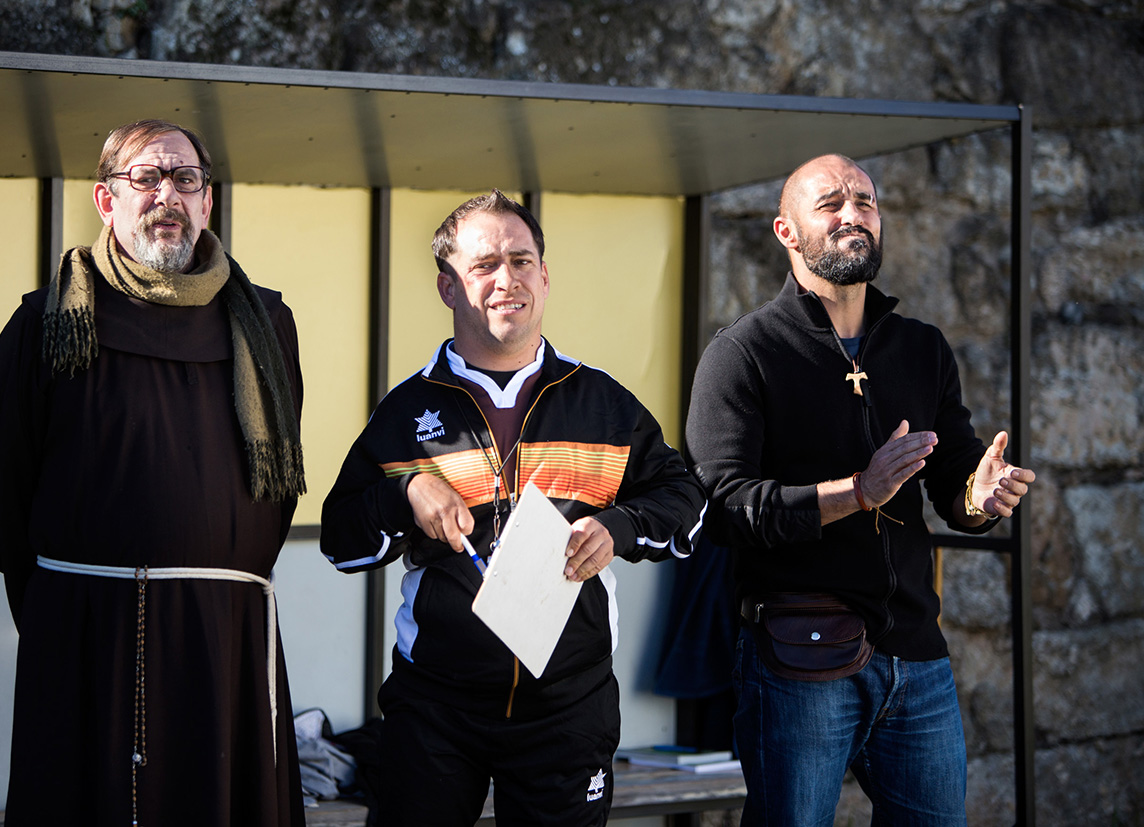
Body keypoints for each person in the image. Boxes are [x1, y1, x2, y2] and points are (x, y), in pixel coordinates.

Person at [321, 190, 706, 827]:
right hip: (435, 707)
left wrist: (620, 527)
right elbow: (340, 538)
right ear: (448, 288)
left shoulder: (603, 402)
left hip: (569, 703)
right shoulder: (404, 411)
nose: (508, 279)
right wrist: (405, 493)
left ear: (545, 277)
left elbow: (685, 498)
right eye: (484, 266)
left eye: (522, 261)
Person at [0, 119, 307, 827]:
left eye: (186, 179)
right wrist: (67, 600)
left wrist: (213, 577)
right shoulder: (48, 321)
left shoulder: (266, 325)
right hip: (87, 633)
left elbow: (274, 490)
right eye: (145, 178)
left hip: (226, 637)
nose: (167, 195)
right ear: (105, 197)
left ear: (207, 202)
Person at [684, 154, 1036, 826]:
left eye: (866, 202)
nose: (854, 215)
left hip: (918, 656)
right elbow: (722, 506)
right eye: (832, 204)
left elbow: (953, 480)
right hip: (797, 656)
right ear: (786, 231)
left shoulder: (921, 347)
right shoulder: (743, 353)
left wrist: (978, 496)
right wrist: (857, 490)